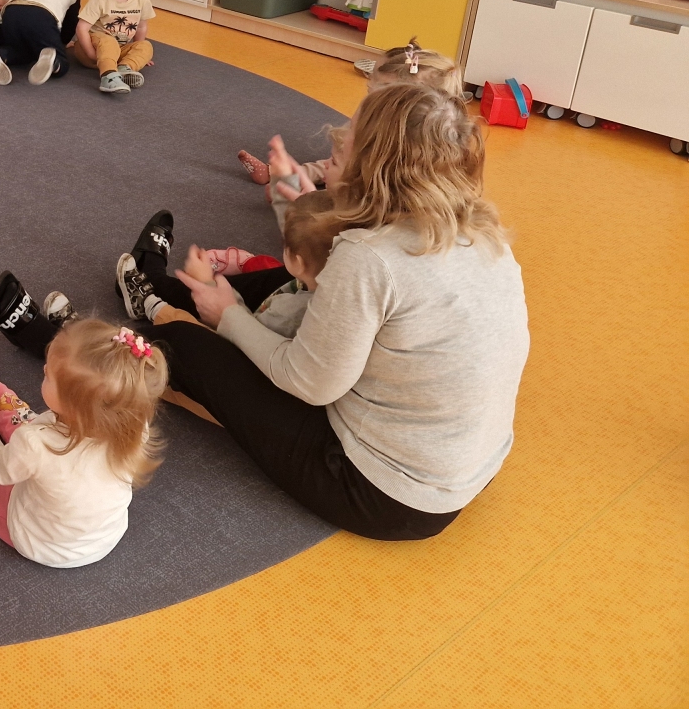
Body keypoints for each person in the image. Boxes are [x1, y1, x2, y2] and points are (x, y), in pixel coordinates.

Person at [130, 84, 529, 540]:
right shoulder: (480, 230)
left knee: (184, 346)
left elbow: (309, 382)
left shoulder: (368, 256)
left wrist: (230, 319)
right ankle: (161, 288)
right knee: (293, 279)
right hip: (470, 467)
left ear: (375, 164)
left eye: (349, 139)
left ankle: (142, 309)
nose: (335, 142)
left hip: (384, 495)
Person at [0, 319, 165, 568]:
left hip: (39, 540)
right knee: (26, 423)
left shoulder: (35, 443)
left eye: (49, 375)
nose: (44, 369)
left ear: (74, 408)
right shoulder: (134, 426)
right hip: (102, 537)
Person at [237, 39, 461, 186]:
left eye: (380, 86)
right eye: (371, 77)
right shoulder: (375, 112)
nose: (369, 83)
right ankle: (278, 174)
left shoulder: (413, 138)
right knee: (332, 164)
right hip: (360, 165)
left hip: (381, 181)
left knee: (342, 175)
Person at [174, 190, 340, 339]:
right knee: (265, 265)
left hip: (250, 343)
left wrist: (207, 283)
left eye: (285, 244)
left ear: (298, 262)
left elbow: (244, 331)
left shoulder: (285, 313)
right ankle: (248, 263)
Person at [72, 0, 155, 95]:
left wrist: (135, 51)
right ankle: (108, 76)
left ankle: (125, 68)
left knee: (146, 46)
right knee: (108, 41)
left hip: (117, 51)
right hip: (91, 49)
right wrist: (91, 54)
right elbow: (81, 28)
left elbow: (141, 26)